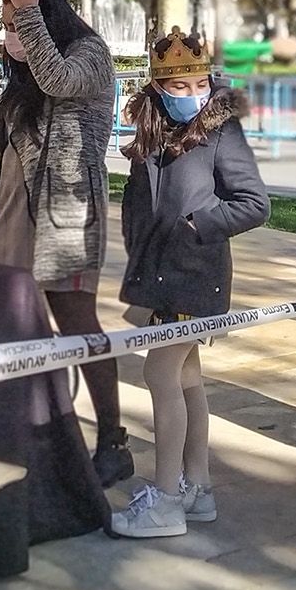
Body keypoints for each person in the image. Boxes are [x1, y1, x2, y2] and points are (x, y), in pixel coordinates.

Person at [109, 30, 268, 538]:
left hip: (193, 276)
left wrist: (198, 224)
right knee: (187, 381)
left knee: (161, 378)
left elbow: (254, 203)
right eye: (177, 87)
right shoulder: (152, 134)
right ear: (156, 88)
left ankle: (168, 502)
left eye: (198, 84)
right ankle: (196, 489)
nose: (190, 95)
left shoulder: (222, 129)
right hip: (159, 277)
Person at [0, 0, 133, 486]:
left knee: (76, 322)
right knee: (14, 321)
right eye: (6, 25)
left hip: (65, 212)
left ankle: (113, 440)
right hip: (16, 209)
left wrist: (27, 15)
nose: (12, 35)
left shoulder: (89, 55)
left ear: (44, 17)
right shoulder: (29, 68)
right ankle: (32, 430)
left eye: (18, 23)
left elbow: (60, 81)